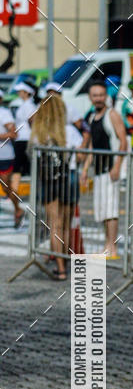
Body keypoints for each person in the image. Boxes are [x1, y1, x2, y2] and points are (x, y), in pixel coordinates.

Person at [28, 94, 83, 280]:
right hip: (69, 178)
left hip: (47, 180)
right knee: (66, 226)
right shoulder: (70, 131)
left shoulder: (38, 133)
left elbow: (32, 157)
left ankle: (60, 268)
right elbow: (81, 156)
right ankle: (66, 262)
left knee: (55, 225)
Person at [80, 78, 127, 258]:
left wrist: (117, 166)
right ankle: (107, 245)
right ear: (90, 97)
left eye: (101, 95)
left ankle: (112, 247)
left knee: (110, 210)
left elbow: (123, 141)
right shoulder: (92, 117)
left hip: (110, 169)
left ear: (105, 96)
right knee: (102, 210)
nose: (98, 98)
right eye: (95, 95)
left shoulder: (112, 114)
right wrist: (85, 170)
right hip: (98, 170)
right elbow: (93, 146)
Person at [11, 80, 37, 226]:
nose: (19, 93)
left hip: (25, 141)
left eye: (21, 91)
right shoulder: (24, 105)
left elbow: (32, 121)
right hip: (22, 140)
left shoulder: (29, 106)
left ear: (26, 92)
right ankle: (15, 193)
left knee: (22, 170)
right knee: (19, 171)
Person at [0, 89, 20, 225]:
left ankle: (17, 209)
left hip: (4, 156)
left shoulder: (4, 113)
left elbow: (14, 134)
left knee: (6, 187)